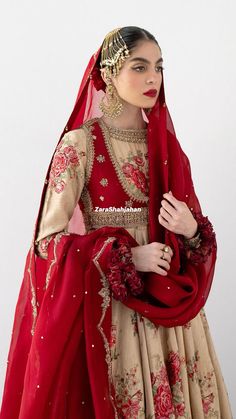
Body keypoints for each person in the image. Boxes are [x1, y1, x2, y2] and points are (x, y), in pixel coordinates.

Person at [0, 26, 232, 419]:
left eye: (159, 67)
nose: (153, 78)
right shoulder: (81, 145)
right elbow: (46, 242)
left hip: (173, 320)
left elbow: (195, 235)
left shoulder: (167, 146)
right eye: (139, 67)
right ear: (109, 73)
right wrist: (122, 254)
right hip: (113, 309)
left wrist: (190, 229)